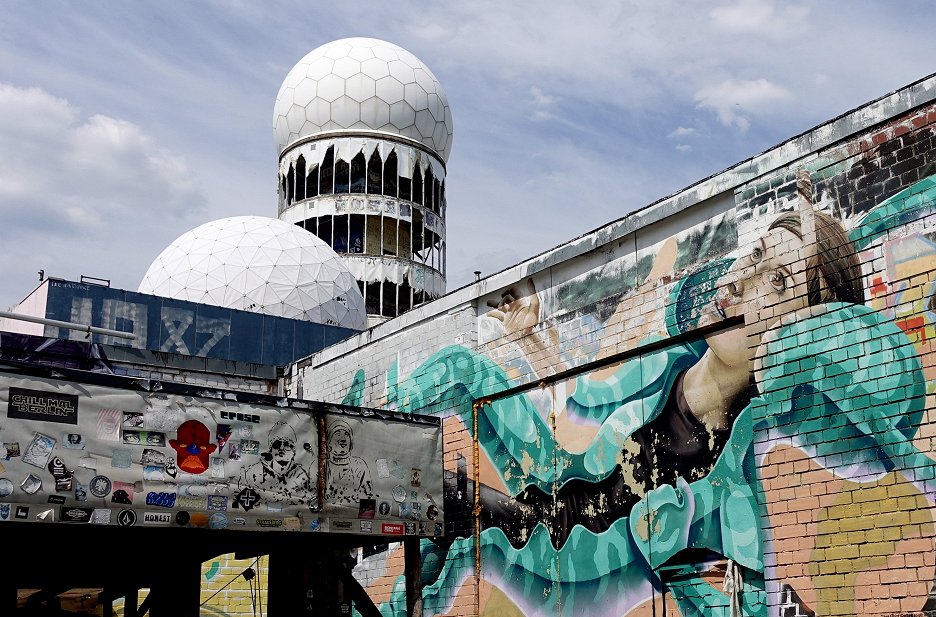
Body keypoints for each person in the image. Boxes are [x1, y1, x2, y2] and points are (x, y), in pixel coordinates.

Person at [241, 421, 315, 508]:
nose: (281, 448)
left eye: (287, 445)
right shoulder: (254, 471)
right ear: (270, 449)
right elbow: (245, 504)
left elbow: (304, 504)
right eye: (277, 444)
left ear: (293, 451)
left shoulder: (300, 475)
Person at [324, 419, 372, 504]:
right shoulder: (322, 466)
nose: (343, 439)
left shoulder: (359, 466)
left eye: (346, 435)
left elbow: (368, 496)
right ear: (328, 443)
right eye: (337, 434)